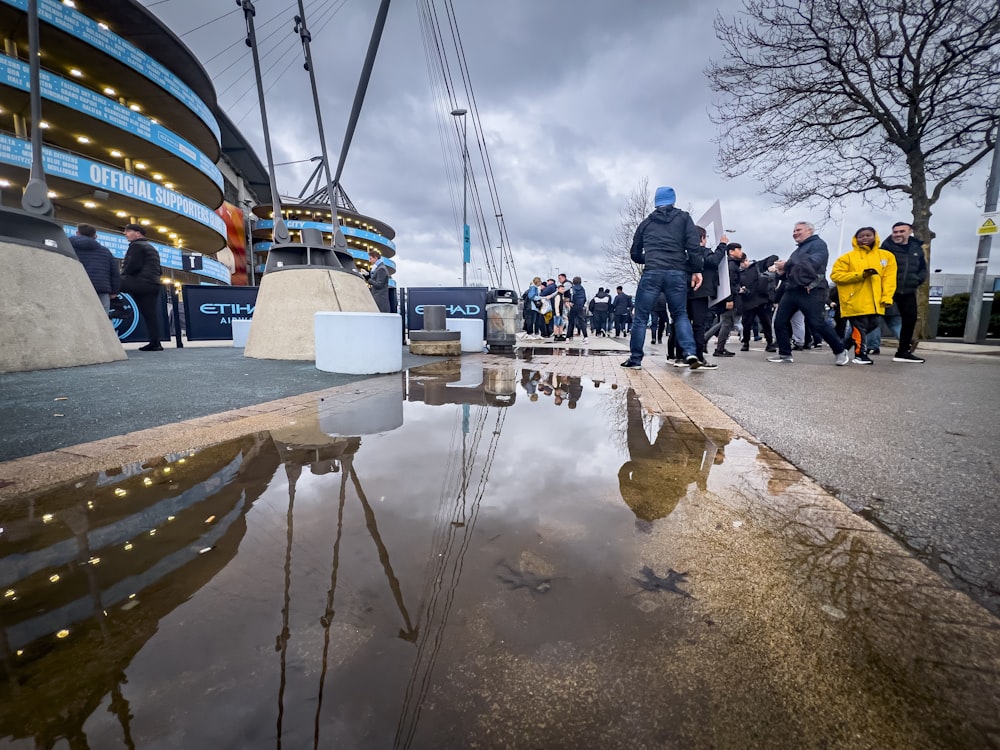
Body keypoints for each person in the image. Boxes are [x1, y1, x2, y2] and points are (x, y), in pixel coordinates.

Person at [621, 185, 703, 370]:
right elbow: (693, 246)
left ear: (656, 202)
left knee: (641, 318)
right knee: (680, 314)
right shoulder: (684, 218)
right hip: (677, 273)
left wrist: (649, 258)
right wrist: (696, 270)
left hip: (652, 272)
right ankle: (690, 353)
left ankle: (635, 360)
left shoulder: (646, 223)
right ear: (673, 200)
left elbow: (634, 253)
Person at [768, 222, 850, 365]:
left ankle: (840, 350)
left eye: (798, 230)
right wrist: (782, 272)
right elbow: (795, 271)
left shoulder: (818, 245)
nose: (795, 233)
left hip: (812, 289)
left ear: (809, 230)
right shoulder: (798, 251)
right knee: (779, 322)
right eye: (793, 231)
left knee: (816, 322)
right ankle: (785, 354)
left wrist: (787, 264)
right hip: (792, 289)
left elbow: (813, 263)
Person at [830, 227, 897, 365]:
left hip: (876, 301)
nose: (864, 238)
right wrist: (860, 275)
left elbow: (889, 279)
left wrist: (887, 297)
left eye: (868, 235)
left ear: (875, 236)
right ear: (856, 238)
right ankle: (860, 354)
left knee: (872, 325)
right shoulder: (847, 257)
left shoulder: (887, 257)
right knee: (860, 327)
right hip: (854, 299)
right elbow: (836, 276)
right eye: (861, 236)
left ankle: (843, 347)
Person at [880, 221, 928, 363]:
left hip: (908, 290)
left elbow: (922, 268)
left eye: (901, 231)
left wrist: (917, 280)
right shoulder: (886, 248)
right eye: (895, 232)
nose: (898, 234)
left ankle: (903, 352)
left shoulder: (916, 248)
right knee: (871, 318)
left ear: (909, 231)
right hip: (888, 289)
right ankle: (845, 346)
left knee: (909, 320)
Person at [120, 223, 164, 351]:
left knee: (110, 283)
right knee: (150, 315)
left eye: (128, 231)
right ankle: (155, 343)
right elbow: (159, 270)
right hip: (153, 283)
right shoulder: (151, 247)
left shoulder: (136, 246)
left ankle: (118, 309)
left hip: (140, 283)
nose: (125, 234)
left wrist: (122, 274)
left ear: (138, 233)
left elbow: (133, 266)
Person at [69, 223, 120, 314]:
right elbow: (115, 273)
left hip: (75, 287)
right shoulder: (105, 251)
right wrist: (114, 291)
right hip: (101, 289)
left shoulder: (68, 247)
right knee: (102, 320)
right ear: (95, 236)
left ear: (77, 233)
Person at [710, 242, 746, 357]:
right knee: (727, 323)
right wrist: (729, 299)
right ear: (731, 252)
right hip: (730, 298)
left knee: (725, 323)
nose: (741, 252)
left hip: (730, 297)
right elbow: (729, 283)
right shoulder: (731, 265)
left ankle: (713, 345)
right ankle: (719, 349)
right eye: (738, 249)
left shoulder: (730, 264)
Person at [737, 253, 778, 352]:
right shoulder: (737, 273)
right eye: (743, 262)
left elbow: (773, 257)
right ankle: (746, 343)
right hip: (747, 301)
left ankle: (769, 343)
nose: (745, 263)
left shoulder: (756, 266)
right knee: (747, 324)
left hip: (761, 300)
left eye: (746, 260)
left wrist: (769, 266)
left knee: (766, 323)